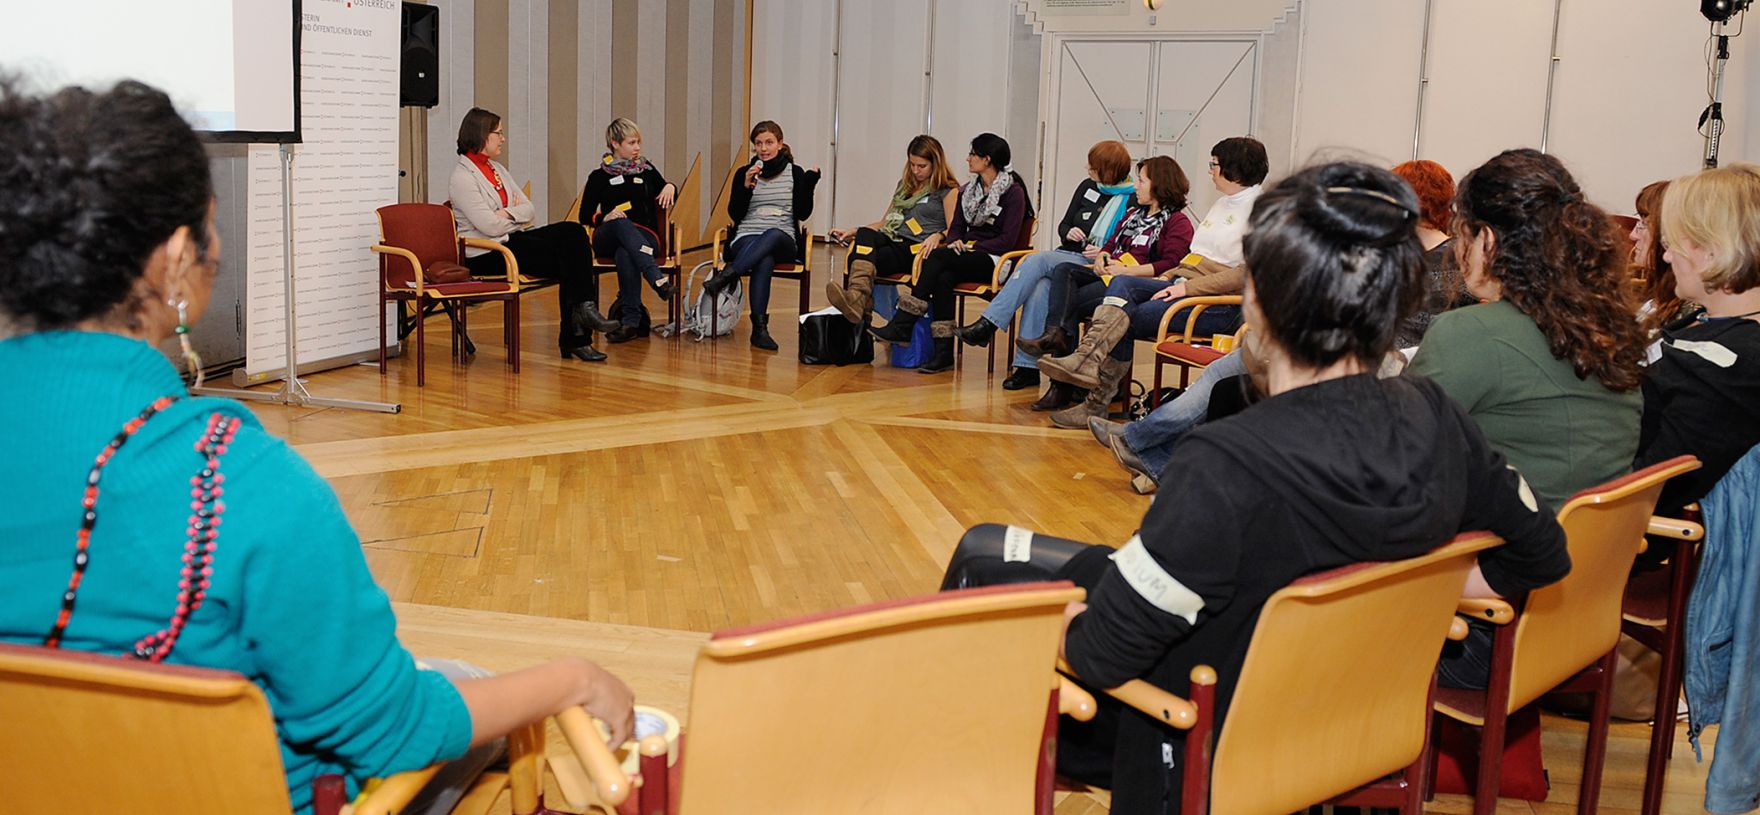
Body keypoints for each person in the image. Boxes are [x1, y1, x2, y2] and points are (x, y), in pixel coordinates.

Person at [0, 79, 635, 815]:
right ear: (176, 257)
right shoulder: (234, 480)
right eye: (211, 230)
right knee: (459, 686)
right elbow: (393, 729)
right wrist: (571, 678)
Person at [939, 161, 1570, 813]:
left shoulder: (1225, 463)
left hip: (1202, 738)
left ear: (1260, 305)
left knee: (987, 583)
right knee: (999, 549)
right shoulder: (1438, 417)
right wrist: (1416, 581)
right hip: (1351, 717)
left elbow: (1100, 654)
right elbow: (1542, 553)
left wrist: (1032, 628)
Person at [1091, 157, 1471, 492]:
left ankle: (1148, 449)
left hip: (1375, 365)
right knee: (1227, 371)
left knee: (1235, 384)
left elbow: (1430, 331)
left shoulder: (1448, 262)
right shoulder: (1394, 253)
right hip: (1347, 353)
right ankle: (1144, 444)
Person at [1407, 148, 1646, 516]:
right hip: (1592, 557)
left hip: (1499, 558)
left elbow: (1396, 450)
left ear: (1486, 240)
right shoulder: (1610, 329)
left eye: (1461, 234)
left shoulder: (1471, 333)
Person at [1035, 137, 1265, 415]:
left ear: (1234, 168)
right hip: (1182, 283)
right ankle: (1086, 365)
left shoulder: (1260, 209)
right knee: (1120, 284)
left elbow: (1245, 276)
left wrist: (1185, 288)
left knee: (1125, 317)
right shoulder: (1223, 203)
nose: (1210, 170)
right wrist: (1170, 277)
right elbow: (1190, 259)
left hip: (1214, 303)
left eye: (1214, 164)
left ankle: (1093, 400)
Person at [942, 140, 1135, 393]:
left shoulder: (1132, 198)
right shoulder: (1087, 187)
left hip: (1096, 264)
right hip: (1069, 255)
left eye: (1094, 166)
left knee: (1036, 259)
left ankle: (989, 324)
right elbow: (1063, 226)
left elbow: (1128, 245)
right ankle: (1027, 369)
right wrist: (1070, 232)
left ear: (1109, 169)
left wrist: (1104, 251)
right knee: (1039, 287)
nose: (1088, 168)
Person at [1016, 156, 1196, 427]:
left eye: (1142, 180)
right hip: (1112, 275)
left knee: (1071, 304)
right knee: (1063, 270)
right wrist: (1102, 258)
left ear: (1159, 185)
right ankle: (1059, 341)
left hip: (1135, 285)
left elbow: (1170, 264)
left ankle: (1063, 375)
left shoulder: (1177, 222)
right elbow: (1110, 244)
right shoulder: (1133, 214)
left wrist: (1126, 272)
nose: (1136, 186)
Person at [1634, 163, 1760, 514]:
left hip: (1627, 535)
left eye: (1674, 244)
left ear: (1712, 251)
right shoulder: (1708, 324)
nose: (1666, 256)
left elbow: (1655, 486)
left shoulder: (1731, 365)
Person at [450, 107, 617, 363]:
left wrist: (503, 213)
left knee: (572, 232)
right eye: (498, 133)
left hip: (509, 240)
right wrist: (510, 215)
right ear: (481, 134)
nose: (503, 138)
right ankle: (577, 334)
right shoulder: (462, 178)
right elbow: (489, 227)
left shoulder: (497, 169)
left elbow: (529, 210)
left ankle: (583, 312)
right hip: (486, 252)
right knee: (570, 260)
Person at [868, 133, 1033, 374]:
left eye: (973, 154)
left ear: (987, 159)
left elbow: (1006, 241)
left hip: (994, 259)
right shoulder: (969, 190)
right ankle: (943, 352)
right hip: (964, 253)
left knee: (936, 257)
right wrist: (956, 242)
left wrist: (971, 246)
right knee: (943, 278)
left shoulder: (1013, 192)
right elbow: (955, 228)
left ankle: (904, 322)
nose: (968, 159)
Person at [702, 120, 821, 351]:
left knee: (773, 234)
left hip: (782, 238)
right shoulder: (744, 173)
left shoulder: (793, 172)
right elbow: (735, 214)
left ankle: (728, 275)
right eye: (758, 143)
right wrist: (746, 186)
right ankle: (759, 329)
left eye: (769, 142)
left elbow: (803, 212)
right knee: (763, 260)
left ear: (780, 144)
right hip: (747, 235)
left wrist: (810, 185)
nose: (763, 148)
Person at [823, 135, 959, 325]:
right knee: (864, 234)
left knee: (863, 256)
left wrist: (939, 235)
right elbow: (884, 222)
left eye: (922, 166)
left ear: (935, 164)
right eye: (912, 164)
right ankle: (857, 297)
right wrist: (853, 230)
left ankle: (859, 303)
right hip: (894, 238)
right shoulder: (905, 186)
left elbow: (955, 229)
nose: (915, 170)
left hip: (917, 247)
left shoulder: (947, 190)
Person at [576, 117, 678, 343]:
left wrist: (671, 186)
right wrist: (604, 216)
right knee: (621, 223)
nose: (637, 148)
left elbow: (668, 191)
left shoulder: (647, 170)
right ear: (615, 143)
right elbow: (584, 215)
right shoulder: (599, 176)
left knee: (626, 252)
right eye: (632, 143)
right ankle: (657, 279)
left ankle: (631, 322)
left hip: (646, 236)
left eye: (638, 142)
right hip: (608, 235)